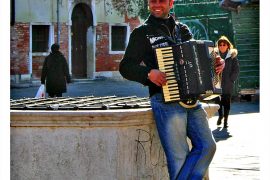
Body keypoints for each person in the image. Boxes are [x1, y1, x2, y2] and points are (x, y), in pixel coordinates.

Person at [119, 0, 225, 179]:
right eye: (152, 1)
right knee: (178, 157)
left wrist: (216, 63)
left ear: (171, 3)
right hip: (164, 99)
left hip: (191, 99)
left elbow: (197, 59)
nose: (156, 5)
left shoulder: (182, 30)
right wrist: (148, 73)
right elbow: (126, 67)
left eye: (161, 1)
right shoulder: (141, 33)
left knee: (208, 146)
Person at [214, 36, 240, 128]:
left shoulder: (232, 56)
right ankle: (220, 116)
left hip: (228, 83)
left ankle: (225, 121)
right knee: (218, 101)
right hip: (217, 82)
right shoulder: (214, 55)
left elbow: (236, 70)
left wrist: (231, 80)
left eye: (224, 44)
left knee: (226, 102)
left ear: (228, 45)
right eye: (220, 45)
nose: (221, 46)